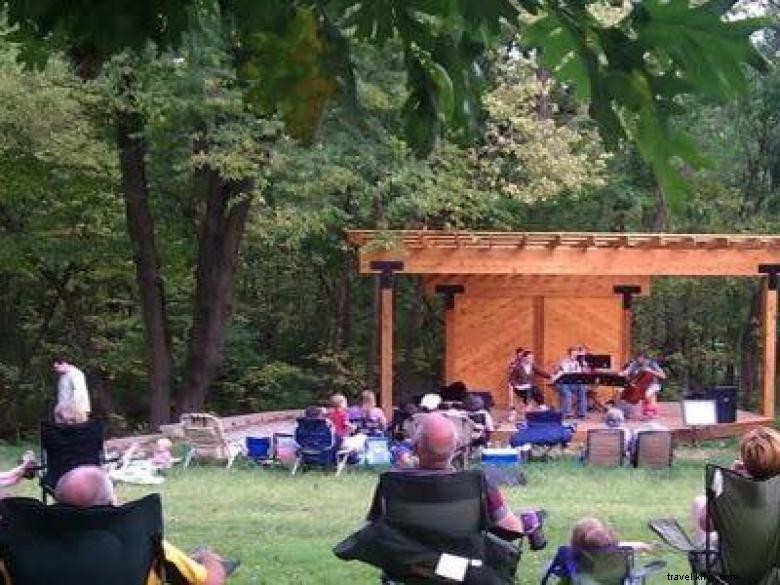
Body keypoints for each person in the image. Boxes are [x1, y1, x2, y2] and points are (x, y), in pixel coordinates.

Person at [47, 466, 228, 585]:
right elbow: (209, 582)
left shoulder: (27, 552)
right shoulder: (145, 546)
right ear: (111, 504)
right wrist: (209, 560)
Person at [403, 413, 536, 535]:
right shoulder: (478, 484)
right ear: (456, 448)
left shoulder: (393, 483)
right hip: (460, 559)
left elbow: (383, 528)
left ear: (415, 447)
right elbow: (513, 530)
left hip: (404, 559)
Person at [691, 427, 780, 547]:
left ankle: (699, 550)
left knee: (699, 502)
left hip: (730, 563)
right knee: (699, 501)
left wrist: (729, 479)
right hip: (771, 561)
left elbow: (706, 524)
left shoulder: (732, 492)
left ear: (745, 462)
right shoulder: (775, 489)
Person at [620, 351, 666, 419]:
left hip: (653, 384)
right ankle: (642, 412)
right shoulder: (635, 363)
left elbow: (663, 376)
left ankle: (653, 413)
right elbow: (627, 371)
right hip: (640, 384)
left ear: (645, 358)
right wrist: (623, 373)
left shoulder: (652, 364)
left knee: (648, 395)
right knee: (624, 392)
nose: (639, 361)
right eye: (638, 359)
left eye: (641, 359)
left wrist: (650, 371)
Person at [509, 350, 549, 416]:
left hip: (530, 387)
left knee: (535, 389)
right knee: (530, 390)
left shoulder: (532, 366)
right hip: (520, 388)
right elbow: (512, 379)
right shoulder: (517, 367)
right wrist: (516, 385)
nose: (531, 359)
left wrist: (550, 376)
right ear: (524, 358)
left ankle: (541, 405)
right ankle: (530, 407)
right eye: (529, 358)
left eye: (532, 358)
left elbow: (541, 372)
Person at [552, 347, 587, 419]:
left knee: (582, 389)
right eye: (573, 354)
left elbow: (578, 375)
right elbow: (567, 373)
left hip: (571, 383)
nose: (575, 356)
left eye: (576, 354)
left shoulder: (577, 363)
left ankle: (581, 413)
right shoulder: (564, 362)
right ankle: (567, 414)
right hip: (561, 382)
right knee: (567, 393)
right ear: (569, 354)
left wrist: (583, 367)